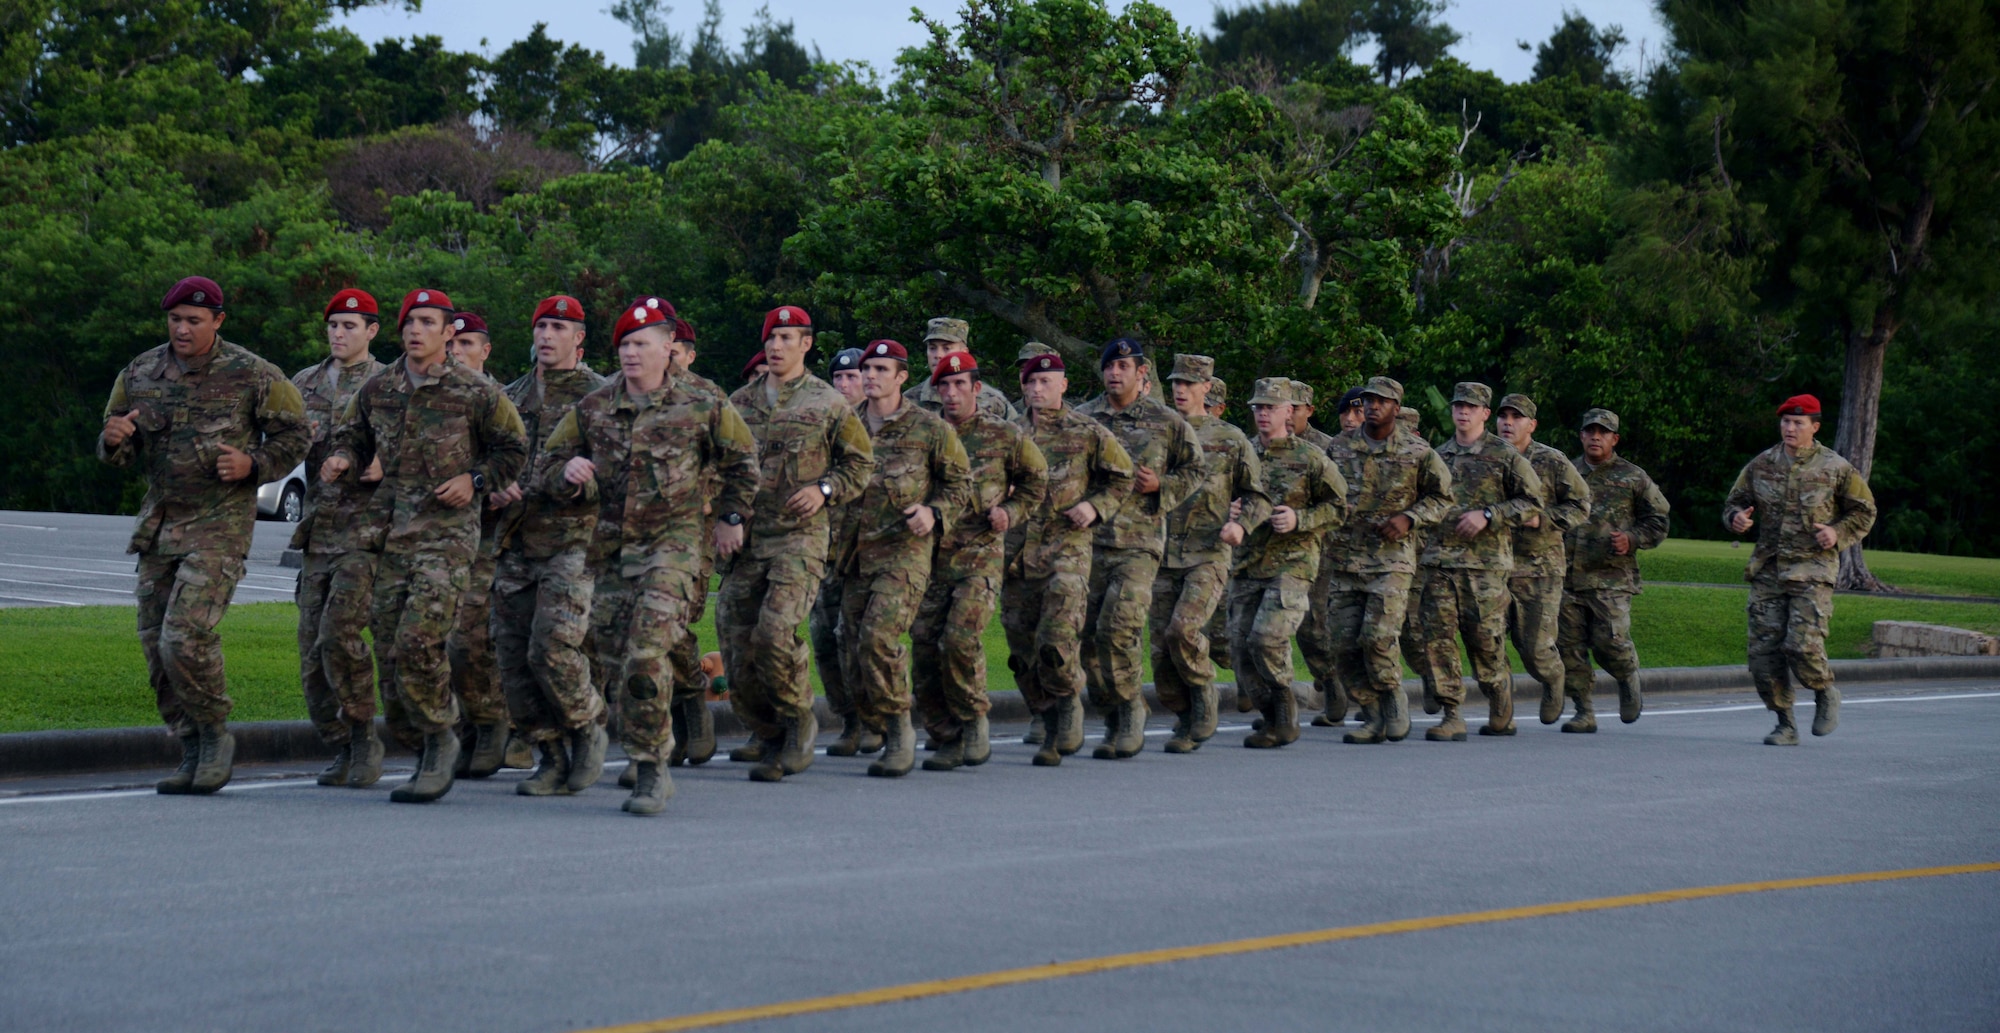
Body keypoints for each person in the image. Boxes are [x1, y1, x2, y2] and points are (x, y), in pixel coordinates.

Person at [541, 300, 759, 812]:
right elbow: (546, 466)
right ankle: (650, 749)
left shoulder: (703, 403)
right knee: (620, 664)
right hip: (613, 555)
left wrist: (731, 518)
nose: (632, 353)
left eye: (642, 343)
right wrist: (566, 473)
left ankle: (650, 767)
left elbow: (744, 463)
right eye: (625, 345)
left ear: (668, 348)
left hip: (676, 549)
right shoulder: (593, 408)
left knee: (646, 653)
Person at [100, 276, 309, 794]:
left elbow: (298, 433)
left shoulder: (253, 373)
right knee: (155, 646)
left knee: (184, 637)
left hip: (219, 526)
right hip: (160, 526)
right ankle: (189, 743)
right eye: (175, 319)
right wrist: (112, 441)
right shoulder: (141, 371)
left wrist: (254, 462)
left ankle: (216, 736)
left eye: (195, 320)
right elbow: (117, 444)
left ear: (217, 321)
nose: (183, 329)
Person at [323, 288, 528, 803]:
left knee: (419, 640)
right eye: (410, 321)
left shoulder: (475, 391)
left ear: (448, 331)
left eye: (428, 321)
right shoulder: (378, 388)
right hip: (391, 536)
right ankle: (421, 746)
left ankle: (441, 738)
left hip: (447, 535)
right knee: (392, 652)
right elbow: (353, 435)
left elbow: (512, 449)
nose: (416, 330)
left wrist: (476, 480)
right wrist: (344, 459)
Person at [719, 305, 874, 781]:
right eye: (771, 337)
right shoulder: (737, 404)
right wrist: (724, 517)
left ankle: (798, 719)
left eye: (788, 337)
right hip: (745, 541)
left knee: (774, 633)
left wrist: (824, 489)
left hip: (799, 540)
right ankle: (767, 733)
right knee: (734, 640)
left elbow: (860, 465)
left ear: (806, 344)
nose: (777, 345)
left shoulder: (828, 403)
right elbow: (716, 467)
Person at [836, 340, 972, 777]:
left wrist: (934, 512)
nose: (870, 375)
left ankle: (900, 730)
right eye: (866, 368)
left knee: (879, 638)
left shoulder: (929, 428)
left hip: (905, 554)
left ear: (900, 377)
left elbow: (959, 484)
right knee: (852, 646)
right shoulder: (845, 425)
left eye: (881, 369)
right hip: (854, 554)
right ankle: (879, 721)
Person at [490, 296, 609, 790]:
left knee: (551, 648)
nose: (546, 335)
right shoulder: (508, 397)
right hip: (515, 540)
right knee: (512, 655)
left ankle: (586, 727)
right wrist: (489, 484)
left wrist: (586, 477)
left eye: (558, 327)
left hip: (574, 542)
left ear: (579, 339)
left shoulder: (600, 398)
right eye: (541, 325)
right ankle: (550, 752)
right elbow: (485, 458)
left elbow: (622, 469)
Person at [913, 350, 1046, 770]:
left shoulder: (1004, 435)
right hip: (929, 557)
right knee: (923, 647)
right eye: (944, 386)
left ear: (976, 388)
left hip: (980, 555)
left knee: (959, 639)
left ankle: (973, 721)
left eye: (960, 385)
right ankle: (944, 731)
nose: (952, 393)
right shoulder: (924, 433)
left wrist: (1012, 512)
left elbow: (1035, 481)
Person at [1004, 352, 1135, 766]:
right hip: (1015, 556)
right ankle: (1047, 717)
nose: (1038, 389)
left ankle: (1067, 706)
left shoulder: (1087, 431)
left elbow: (1122, 477)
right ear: (1023, 387)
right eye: (1032, 383)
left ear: (1063, 385)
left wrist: (1095, 507)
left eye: (1048, 382)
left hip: (1067, 550)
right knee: (1021, 650)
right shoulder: (1007, 434)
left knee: (1056, 641)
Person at [1722, 394, 1876, 745]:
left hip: (1813, 569)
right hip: (1769, 569)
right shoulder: (1761, 464)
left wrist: (1837, 532)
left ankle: (1824, 691)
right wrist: (1736, 519)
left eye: (1798, 423)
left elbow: (1865, 511)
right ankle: (1785, 723)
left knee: (1802, 647)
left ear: (1815, 427)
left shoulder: (1836, 468)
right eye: (1786, 422)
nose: (1790, 428)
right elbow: (1734, 503)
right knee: (1763, 654)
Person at [1076, 339, 1203, 759]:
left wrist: (1161, 487)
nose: (1115, 373)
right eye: (1109, 366)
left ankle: (1132, 710)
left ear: (1140, 373)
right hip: (1088, 542)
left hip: (1139, 544)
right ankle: (1111, 714)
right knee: (1086, 638)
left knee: (1120, 628)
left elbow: (1195, 469)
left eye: (1124, 366)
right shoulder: (1084, 418)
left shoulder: (1164, 421)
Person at [1321, 378, 1452, 745]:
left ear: (1397, 407)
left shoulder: (1418, 451)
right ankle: (1372, 711)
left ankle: (1393, 696)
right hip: (1344, 559)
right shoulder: (1339, 448)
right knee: (1342, 644)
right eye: (1368, 400)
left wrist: (1410, 517)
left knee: (1377, 637)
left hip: (1391, 561)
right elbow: (1318, 492)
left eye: (1382, 401)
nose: (1373, 406)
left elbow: (1443, 499)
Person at [292, 289, 388, 787]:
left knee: (339, 636)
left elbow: (423, 443)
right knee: (311, 648)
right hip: (317, 533)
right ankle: (342, 741)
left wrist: (383, 462)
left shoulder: (389, 383)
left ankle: (365, 738)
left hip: (366, 534)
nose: (339, 333)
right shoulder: (303, 383)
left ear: (372, 331)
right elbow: (275, 437)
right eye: (333, 325)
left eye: (351, 325)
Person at [1418, 382, 1544, 740]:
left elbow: (1532, 503)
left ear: (1485, 414)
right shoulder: (1437, 455)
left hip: (1485, 566)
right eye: (1458, 406)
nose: (1463, 412)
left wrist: (1489, 514)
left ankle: (1499, 694)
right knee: (1438, 638)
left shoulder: (1505, 456)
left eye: (1471, 407)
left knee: (1485, 641)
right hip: (1440, 563)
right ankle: (1451, 713)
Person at [1154, 354, 1267, 753]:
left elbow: (1257, 496)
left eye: (1189, 383)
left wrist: (1241, 524)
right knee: (1158, 649)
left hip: (1208, 553)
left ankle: (1205, 695)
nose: (1180, 390)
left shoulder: (1231, 439)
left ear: (1207, 388)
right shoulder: (1158, 431)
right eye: (1176, 383)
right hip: (1159, 552)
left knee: (1182, 630)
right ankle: (1184, 716)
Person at [1228, 379, 1347, 748]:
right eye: (1258, 407)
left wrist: (1300, 519)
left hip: (1293, 564)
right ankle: (1271, 716)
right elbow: (1216, 496)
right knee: (1238, 646)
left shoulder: (1310, 458)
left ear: (1288, 411)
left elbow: (1339, 507)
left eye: (1270, 408)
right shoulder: (1240, 454)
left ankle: (1284, 711)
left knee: (1267, 637)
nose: (1263, 414)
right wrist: (1228, 509)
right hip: (1247, 562)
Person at [1558, 408, 1670, 732]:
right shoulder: (1565, 472)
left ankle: (1626, 676)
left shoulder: (1633, 477)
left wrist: (1633, 538)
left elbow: (1659, 519)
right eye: (1590, 431)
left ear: (1614, 439)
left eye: (1603, 432)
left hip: (1610, 577)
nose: (1596, 437)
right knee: (1570, 647)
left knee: (1610, 642)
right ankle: (1583, 710)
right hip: (1566, 576)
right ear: (1581, 436)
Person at [1493, 393, 1592, 726]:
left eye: (1516, 417)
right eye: (1503, 415)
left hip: (1539, 568)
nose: (1508, 422)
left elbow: (1580, 505)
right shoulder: (1485, 457)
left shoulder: (1552, 461)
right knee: (1489, 643)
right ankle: (1502, 713)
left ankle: (1553, 679)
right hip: (1490, 565)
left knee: (1534, 647)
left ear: (1531, 425)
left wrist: (1543, 520)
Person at [815, 347, 876, 757]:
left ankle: (873, 718)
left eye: (852, 377)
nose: (844, 385)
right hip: (825, 548)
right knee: (823, 637)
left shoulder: (882, 425)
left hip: (871, 551)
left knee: (857, 637)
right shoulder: (821, 425)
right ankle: (848, 717)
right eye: (838, 378)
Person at [908, 317, 1017, 420]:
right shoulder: (909, 401)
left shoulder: (992, 400)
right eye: (932, 348)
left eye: (946, 348)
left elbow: (1019, 434)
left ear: (964, 353)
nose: (938, 355)